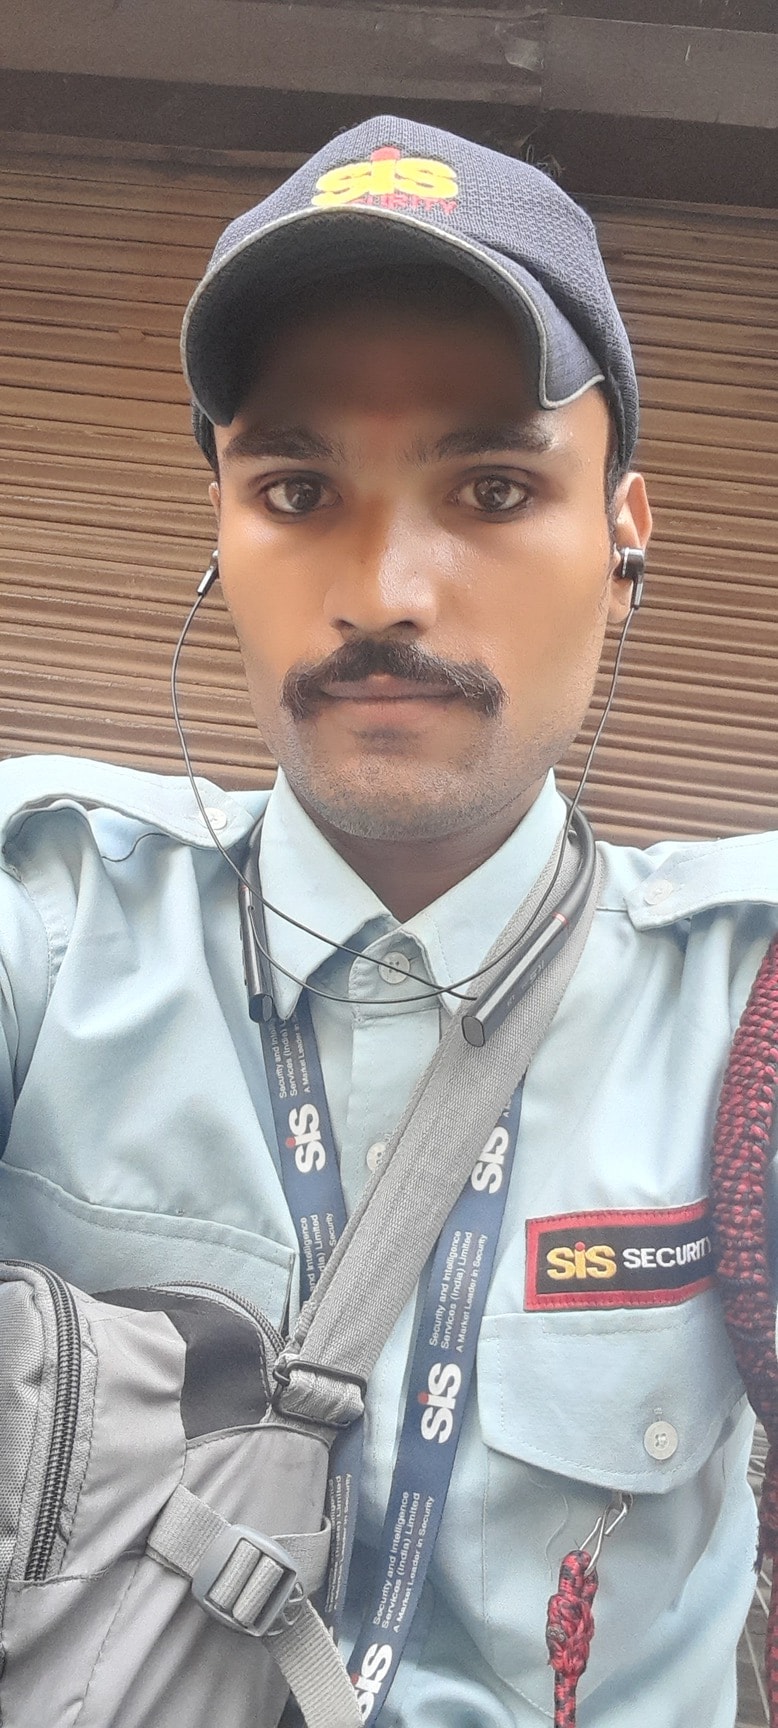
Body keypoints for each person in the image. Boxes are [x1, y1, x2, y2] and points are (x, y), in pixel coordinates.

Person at [0, 114, 775, 1727]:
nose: (385, 592)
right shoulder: (49, 918)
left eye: (492, 487)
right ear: (220, 534)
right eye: (297, 489)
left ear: (622, 536)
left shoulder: (741, 1008)